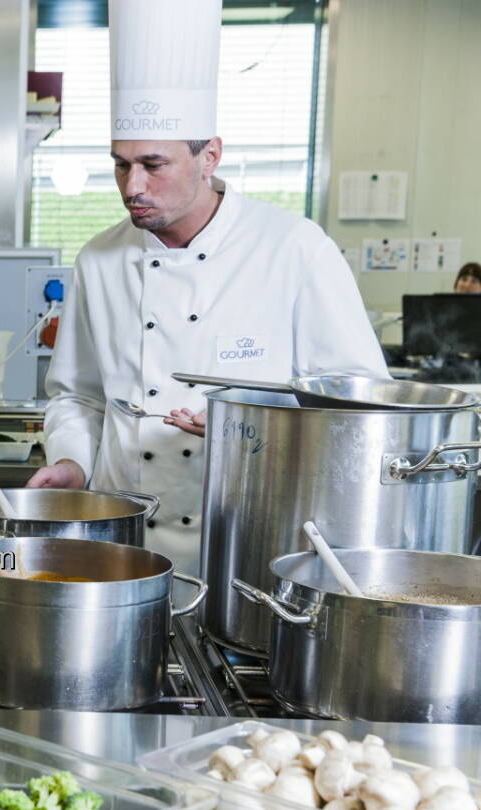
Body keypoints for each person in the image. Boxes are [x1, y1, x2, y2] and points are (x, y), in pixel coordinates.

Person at [28, 0, 387, 575]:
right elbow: (77, 395)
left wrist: (248, 418)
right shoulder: (100, 258)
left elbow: (359, 409)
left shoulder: (294, 249)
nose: (131, 186)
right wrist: (71, 461)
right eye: (120, 165)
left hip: (249, 536)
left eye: (153, 164)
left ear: (210, 155)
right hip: (124, 538)